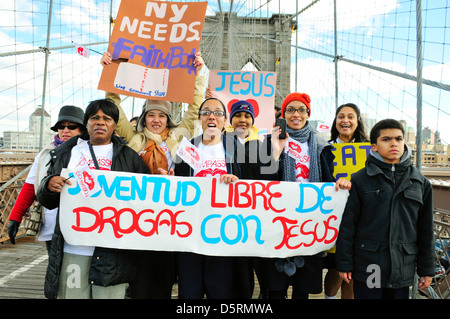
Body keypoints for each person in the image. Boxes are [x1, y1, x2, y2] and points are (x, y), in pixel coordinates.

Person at [100, 51, 205, 299]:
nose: (156, 120)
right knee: (141, 274)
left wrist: (198, 75)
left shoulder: (179, 137)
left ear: (168, 119)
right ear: (144, 118)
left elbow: (195, 108)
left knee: (165, 274)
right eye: (151, 114)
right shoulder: (133, 138)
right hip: (139, 214)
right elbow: (115, 109)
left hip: (170, 215)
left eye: (161, 115)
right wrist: (111, 72)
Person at [37, 99, 150, 299]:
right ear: (86, 123)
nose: (100, 122)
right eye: (94, 118)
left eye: (107, 118)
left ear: (115, 125)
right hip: (74, 247)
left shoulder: (131, 158)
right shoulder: (65, 153)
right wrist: (49, 186)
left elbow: (145, 201)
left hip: (113, 252)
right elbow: (47, 200)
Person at [257, 92, 351, 299]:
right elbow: (263, 180)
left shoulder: (322, 145)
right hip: (278, 218)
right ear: (283, 114)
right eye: (290, 110)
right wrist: (275, 152)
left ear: (308, 114)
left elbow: (328, 180)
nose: (295, 114)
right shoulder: (268, 141)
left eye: (301, 110)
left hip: (309, 218)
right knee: (275, 286)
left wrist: (339, 184)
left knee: (303, 287)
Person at [335, 119, 434, 299]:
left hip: (402, 267)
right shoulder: (360, 180)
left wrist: (427, 268)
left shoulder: (420, 182)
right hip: (369, 266)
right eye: (386, 139)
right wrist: (344, 263)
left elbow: (426, 229)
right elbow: (348, 225)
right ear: (374, 146)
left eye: (398, 138)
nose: (394, 143)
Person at [174, 97, 259, 299]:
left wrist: (237, 183)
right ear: (200, 118)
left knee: (221, 291)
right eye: (206, 112)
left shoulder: (239, 149)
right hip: (191, 233)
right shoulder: (186, 150)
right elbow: (178, 186)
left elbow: (254, 187)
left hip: (224, 234)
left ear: (224, 120)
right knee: (189, 293)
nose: (212, 116)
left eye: (218, 113)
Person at [8, 105, 86, 251]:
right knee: (54, 270)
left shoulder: (91, 151)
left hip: (83, 225)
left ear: (82, 129)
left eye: (72, 126)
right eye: (61, 126)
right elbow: (31, 186)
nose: (65, 130)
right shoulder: (46, 153)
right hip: (52, 225)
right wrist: (15, 217)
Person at [323, 102, 369, 299]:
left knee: (353, 274)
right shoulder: (326, 150)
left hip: (362, 217)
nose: (345, 120)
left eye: (351, 116)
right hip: (335, 215)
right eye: (341, 116)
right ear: (336, 121)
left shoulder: (372, 151)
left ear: (358, 122)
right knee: (335, 269)